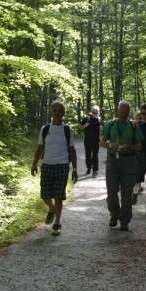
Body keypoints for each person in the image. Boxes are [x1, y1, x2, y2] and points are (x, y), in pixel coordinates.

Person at [31, 100, 79, 236]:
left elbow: (72, 150)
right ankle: (51, 209)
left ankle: (57, 223)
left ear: (63, 113)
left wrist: (75, 170)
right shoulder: (45, 129)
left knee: (58, 196)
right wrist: (34, 163)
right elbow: (39, 148)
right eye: (55, 110)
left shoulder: (68, 130)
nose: (57, 113)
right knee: (45, 195)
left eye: (59, 111)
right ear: (51, 112)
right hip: (46, 165)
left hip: (62, 166)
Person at [101, 101, 143, 231]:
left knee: (126, 192)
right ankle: (114, 215)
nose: (124, 114)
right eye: (122, 111)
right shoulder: (110, 124)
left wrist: (130, 147)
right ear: (117, 111)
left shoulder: (134, 126)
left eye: (126, 112)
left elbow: (139, 146)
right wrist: (110, 145)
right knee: (112, 191)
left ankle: (125, 220)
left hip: (128, 161)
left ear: (129, 112)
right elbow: (102, 142)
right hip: (112, 161)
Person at [78, 105, 102, 177]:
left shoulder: (99, 119)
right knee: (88, 155)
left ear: (98, 113)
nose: (95, 114)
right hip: (88, 140)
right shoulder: (87, 118)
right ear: (91, 112)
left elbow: (100, 128)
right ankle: (89, 168)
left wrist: (101, 128)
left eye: (97, 113)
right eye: (94, 112)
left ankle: (95, 171)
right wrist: (85, 126)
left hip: (96, 140)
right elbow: (79, 126)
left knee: (95, 155)